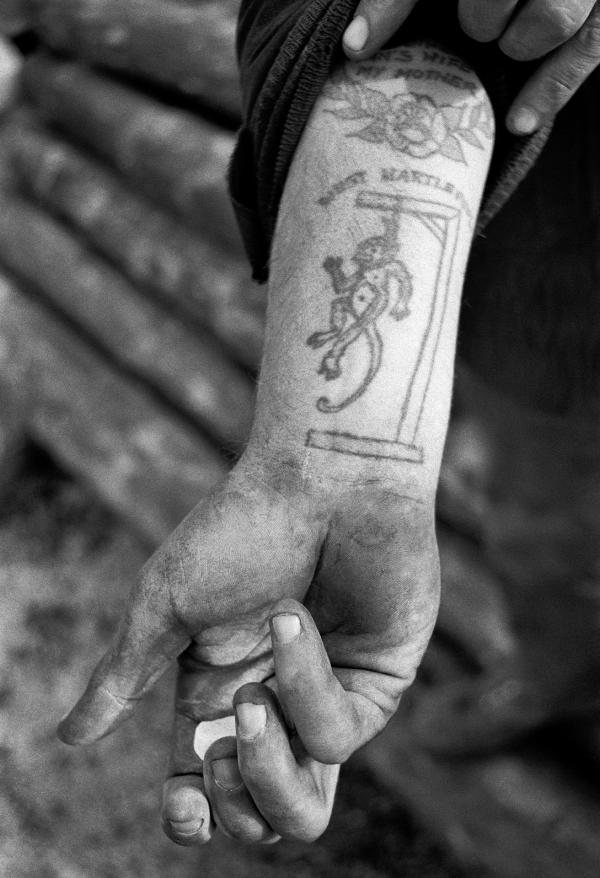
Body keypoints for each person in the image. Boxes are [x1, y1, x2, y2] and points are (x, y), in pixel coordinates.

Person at [58, 0, 600, 847]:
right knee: (545, 522)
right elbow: (431, 34)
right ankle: (555, 670)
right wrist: (330, 476)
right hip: (563, 313)